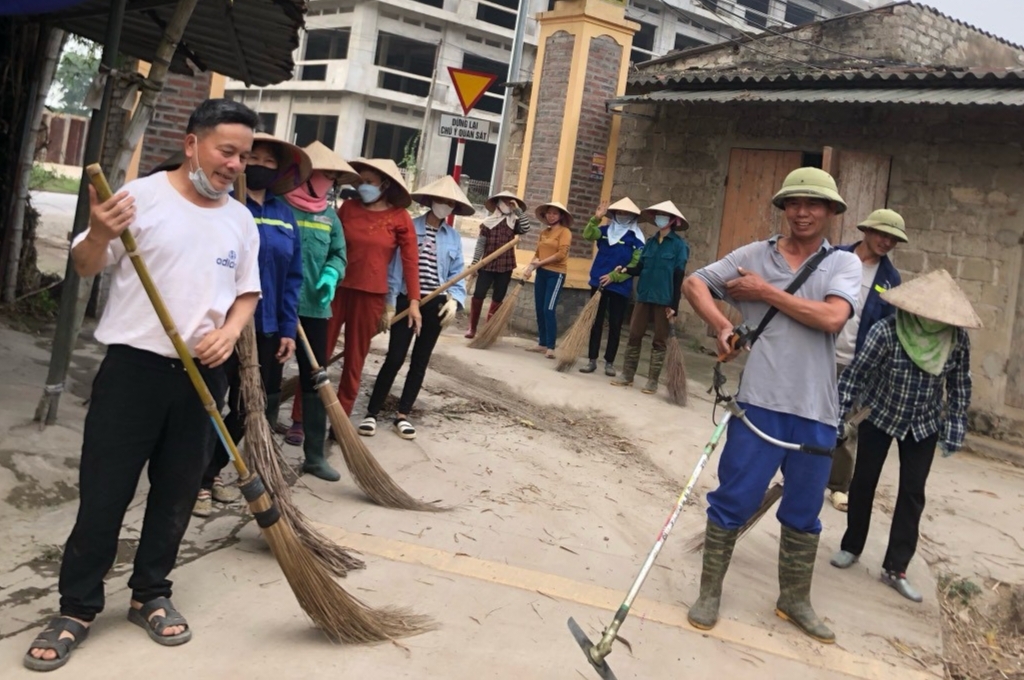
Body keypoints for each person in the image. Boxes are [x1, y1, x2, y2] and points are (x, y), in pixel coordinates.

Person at [23, 99, 262, 671]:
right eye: (226, 151)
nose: (234, 165)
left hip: (202, 378)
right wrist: (100, 233)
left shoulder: (240, 219)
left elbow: (247, 292)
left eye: (244, 156)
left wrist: (230, 332)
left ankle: (150, 592)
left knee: (176, 493)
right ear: (191, 144)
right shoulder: (141, 198)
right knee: (104, 493)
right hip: (133, 372)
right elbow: (85, 265)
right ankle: (77, 607)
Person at [681, 167, 861, 643]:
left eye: (813, 204)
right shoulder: (752, 255)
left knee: (804, 510)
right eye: (794, 203)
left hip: (817, 410)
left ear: (830, 212)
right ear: (783, 208)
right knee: (733, 499)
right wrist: (722, 325)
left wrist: (763, 292)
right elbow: (695, 283)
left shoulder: (843, 264)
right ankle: (709, 592)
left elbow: (831, 318)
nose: (802, 212)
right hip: (758, 404)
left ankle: (794, 599)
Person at [830, 269, 976, 602]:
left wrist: (954, 426)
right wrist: (838, 418)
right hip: (880, 413)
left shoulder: (955, 340)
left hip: (923, 423)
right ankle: (851, 546)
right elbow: (856, 375)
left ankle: (896, 568)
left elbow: (960, 385)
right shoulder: (887, 330)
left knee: (912, 493)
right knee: (864, 481)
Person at [194, 133, 310, 516]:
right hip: (223, 325)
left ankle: (211, 471)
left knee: (249, 409)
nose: (259, 165)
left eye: (269, 161)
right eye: (253, 158)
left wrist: (288, 329)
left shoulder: (284, 214)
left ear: (279, 171)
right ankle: (196, 481)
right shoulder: (224, 205)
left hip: (268, 326)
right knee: (211, 402)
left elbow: (292, 277)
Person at [359, 176, 470, 439]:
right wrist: (389, 303)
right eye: (441, 200)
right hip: (406, 300)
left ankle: (403, 415)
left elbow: (457, 274)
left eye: (449, 202)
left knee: (420, 361)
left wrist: (455, 300)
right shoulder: (409, 226)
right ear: (430, 201)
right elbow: (395, 268)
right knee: (395, 357)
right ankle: (372, 412)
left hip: (435, 304)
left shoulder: (453, 238)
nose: (444, 205)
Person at [279, 141, 358, 480]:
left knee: (315, 378)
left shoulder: (330, 216)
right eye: (324, 175)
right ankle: (260, 450)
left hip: (315, 308)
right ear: (306, 175)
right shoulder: (280, 206)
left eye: (332, 178)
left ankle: (313, 456)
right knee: (269, 378)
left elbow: (339, 254)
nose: (329, 183)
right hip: (279, 307)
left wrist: (331, 274)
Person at [324, 158, 422, 416]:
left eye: (369, 182)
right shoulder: (347, 209)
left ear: (385, 184)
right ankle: (301, 417)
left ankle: (341, 418)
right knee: (319, 353)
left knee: (354, 360)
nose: (362, 187)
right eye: (360, 182)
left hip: (371, 297)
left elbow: (411, 262)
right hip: (336, 290)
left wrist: (414, 302)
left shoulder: (400, 217)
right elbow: (331, 244)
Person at [827, 209, 906, 512]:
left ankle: (838, 485)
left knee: (847, 427)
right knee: (806, 414)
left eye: (893, 239)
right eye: (882, 234)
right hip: (820, 352)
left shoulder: (890, 279)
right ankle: (797, 472)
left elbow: (889, 326)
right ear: (867, 231)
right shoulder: (835, 257)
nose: (886, 242)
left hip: (857, 362)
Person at [610, 201, 689, 394]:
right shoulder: (650, 242)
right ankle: (627, 375)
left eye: (664, 216)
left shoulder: (679, 246)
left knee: (659, 340)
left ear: (673, 220)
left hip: (664, 298)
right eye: (658, 215)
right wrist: (626, 269)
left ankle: (652, 381)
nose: (660, 219)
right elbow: (640, 268)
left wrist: (674, 306)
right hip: (644, 295)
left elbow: (678, 276)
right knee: (634, 334)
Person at [578, 197, 645, 377]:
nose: (622, 216)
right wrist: (596, 218)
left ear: (633, 217)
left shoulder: (636, 239)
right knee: (595, 322)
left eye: (626, 213)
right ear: (614, 214)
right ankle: (592, 359)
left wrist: (614, 276)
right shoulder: (605, 231)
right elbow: (588, 235)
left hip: (620, 286)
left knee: (615, 324)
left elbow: (635, 264)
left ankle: (609, 362)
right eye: (619, 212)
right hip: (598, 281)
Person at [465, 191, 531, 339]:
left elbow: (526, 228)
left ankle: (488, 330)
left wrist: (517, 210)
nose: (507, 204)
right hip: (487, 264)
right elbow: (480, 244)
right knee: (478, 294)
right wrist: (475, 263)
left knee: (498, 297)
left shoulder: (514, 222)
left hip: (506, 266)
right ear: (498, 203)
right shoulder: (487, 223)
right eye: (505, 201)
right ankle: (472, 328)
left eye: (510, 202)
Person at [524, 201, 572, 359]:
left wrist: (541, 263)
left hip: (556, 274)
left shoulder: (565, 232)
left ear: (561, 216)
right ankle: (542, 343)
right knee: (539, 308)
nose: (551, 216)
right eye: (549, 213)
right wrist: (530, 268)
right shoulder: (544, 232)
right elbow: (538, 253)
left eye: (555, 213)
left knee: (548, 309)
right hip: (541, 273)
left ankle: (551, 347)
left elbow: (561, 255)